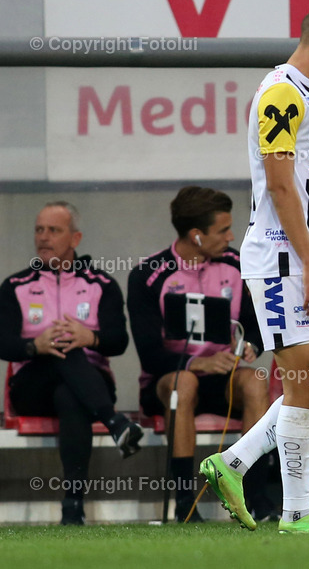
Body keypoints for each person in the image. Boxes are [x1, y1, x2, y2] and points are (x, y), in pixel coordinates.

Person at [199, 1, 309, 534]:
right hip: (279, 259)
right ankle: (297, 513)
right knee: (303, 380)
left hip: (307, 258)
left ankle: (235, 462)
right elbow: (278, 184)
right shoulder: (279, 95)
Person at [128, 186, 272, 523]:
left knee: (255, 382)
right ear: (196, 236)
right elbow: (149, 353)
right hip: (168, 383)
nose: (231, 236)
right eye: (223, 230)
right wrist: (197, 362)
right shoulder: (148, 275)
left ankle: (255, 498)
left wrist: (251, 345)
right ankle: (184, 502)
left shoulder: (239, 266)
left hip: (225, 380)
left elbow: (260, 324)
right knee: (185, 382)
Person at [0, 201, 142, 526]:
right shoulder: (15, 286)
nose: (44, 238)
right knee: (62, 349)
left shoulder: (101, 284)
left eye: (54, 230)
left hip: (90, 384)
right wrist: (35, 345)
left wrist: (89, 337)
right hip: (32, 385)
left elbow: (119, 340)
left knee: (70, 390)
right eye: (39, 230)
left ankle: (73, 506)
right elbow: (4, 343)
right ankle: (116, 424)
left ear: (75, 238)